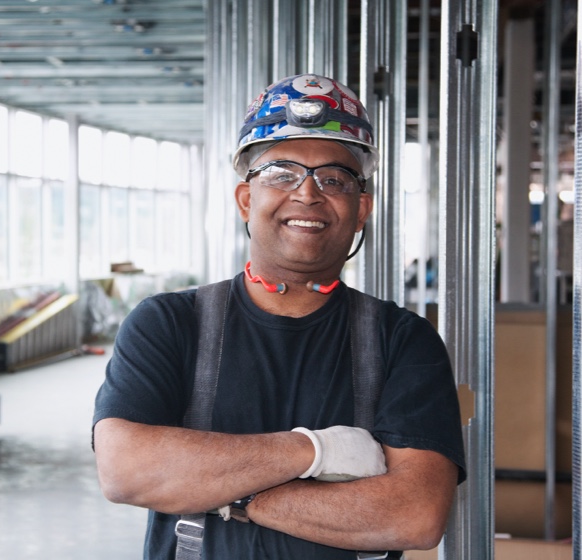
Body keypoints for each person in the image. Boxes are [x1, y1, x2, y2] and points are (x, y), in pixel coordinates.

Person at [92, 73, 466, 559]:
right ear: (246, 199)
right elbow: (126, 472)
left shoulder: (402, 341)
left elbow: (414, 516)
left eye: (334, 178)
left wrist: (228, 491)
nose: (308, 194)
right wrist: (317, 451)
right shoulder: (168, 323)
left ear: (360, 210)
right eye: (281, 173)